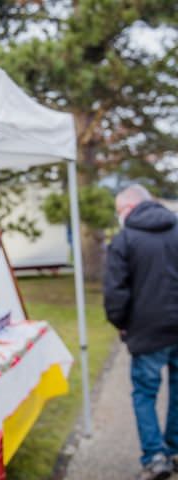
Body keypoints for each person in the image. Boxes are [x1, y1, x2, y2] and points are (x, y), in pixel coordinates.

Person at [104, 184, 178, 480]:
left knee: (145, 393)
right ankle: (173, 450)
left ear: (130, 208)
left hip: (146, 330)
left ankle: (155, 457)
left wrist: (120, 322)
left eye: (119, 210)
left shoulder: (125, 240)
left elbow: (115, 292)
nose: (119, 215)